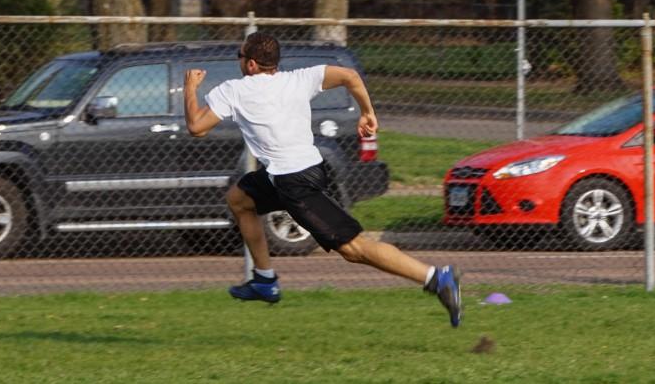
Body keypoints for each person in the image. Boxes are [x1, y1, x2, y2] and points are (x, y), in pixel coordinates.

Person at [183, 32, 461, 327]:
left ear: (251, 64)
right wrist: (367, 113)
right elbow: (350, 76)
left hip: (294, 183)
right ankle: (264, 280)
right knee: (239, 199)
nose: (237, 62)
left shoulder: (234, 90)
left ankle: (435, 278)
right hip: (307, 169)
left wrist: (191, 88)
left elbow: (197, 127)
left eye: (238, 57)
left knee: (354, 249)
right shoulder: (299, 78)